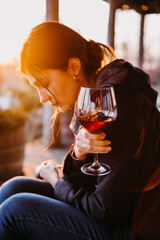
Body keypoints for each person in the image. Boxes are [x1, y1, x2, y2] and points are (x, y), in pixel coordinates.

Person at [0, 21, 160, 240]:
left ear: (73, 67)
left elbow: (105, 210)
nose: (42, 97)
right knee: (14, 188)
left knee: (14, 210)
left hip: (132, 231)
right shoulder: (95, 101)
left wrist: (57, 182)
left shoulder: (116, 106)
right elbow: (93, 181)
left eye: (44, 83)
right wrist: (78, 155)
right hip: (114, 215)